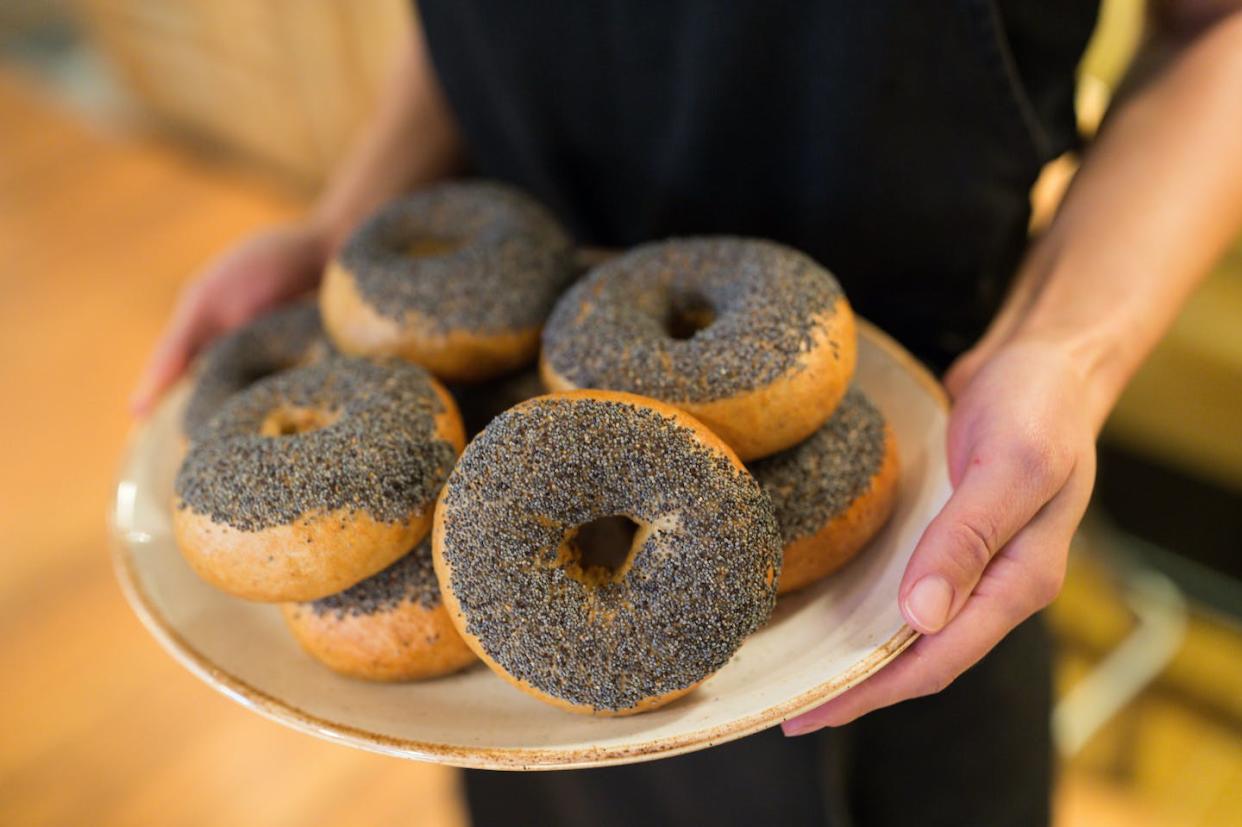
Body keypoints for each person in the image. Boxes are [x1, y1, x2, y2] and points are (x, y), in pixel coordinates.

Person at [131, 2, 1242, 824]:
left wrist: (1067, 348)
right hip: (501, 563)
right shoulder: (476, 516)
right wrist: (355, 228)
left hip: (919, 501)